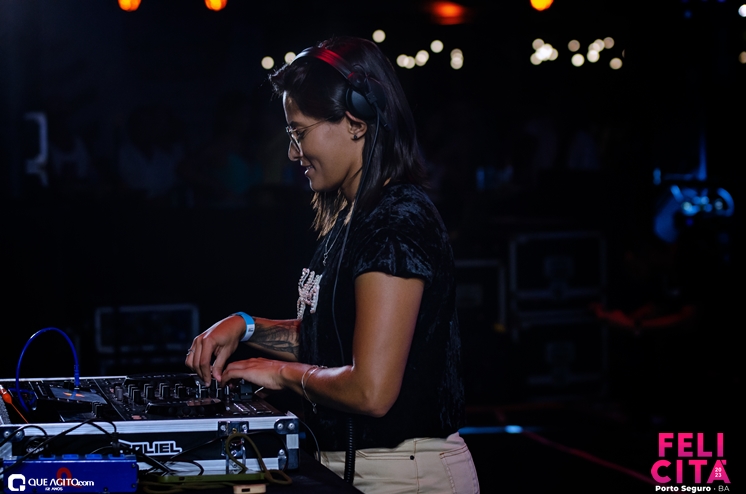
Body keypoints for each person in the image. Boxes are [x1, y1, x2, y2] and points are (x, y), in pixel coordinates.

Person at [186, 36, 479, 494]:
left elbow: (371, 390)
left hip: (403, 476)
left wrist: (280, 373)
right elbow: (334, 339)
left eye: (299, 132)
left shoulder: (396, 221)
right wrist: (246, 326)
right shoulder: (353, 217)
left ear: (356, 122)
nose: (292, 152)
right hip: (363, 469)